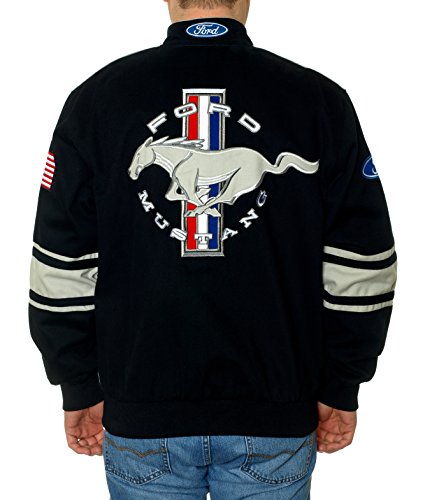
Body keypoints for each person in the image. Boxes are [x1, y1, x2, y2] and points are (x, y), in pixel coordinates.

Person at [27, 0, 397, 498]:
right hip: (276, 414)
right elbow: (363, 262)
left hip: (142, 413)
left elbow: (62, 261)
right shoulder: (318, 100)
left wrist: (76, 382)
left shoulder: (97, 99)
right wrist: (341, 383)